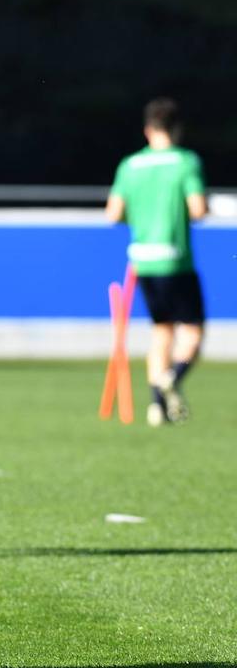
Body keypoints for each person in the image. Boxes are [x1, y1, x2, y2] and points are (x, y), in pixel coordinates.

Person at [105, 97, 207, 427]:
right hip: (174, 259)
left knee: (160, 332)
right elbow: (198, 210)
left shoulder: (130, 165)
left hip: (141, 260)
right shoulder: (185, 162)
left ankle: (156, 407)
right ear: (177, 129)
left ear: (148, 129)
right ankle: (171, 378)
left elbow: (113, 214)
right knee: (192, 332)